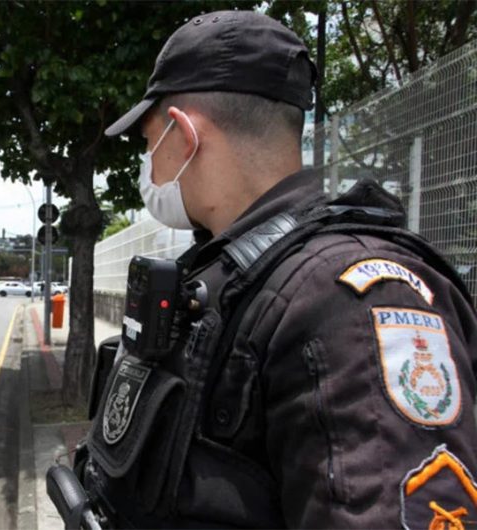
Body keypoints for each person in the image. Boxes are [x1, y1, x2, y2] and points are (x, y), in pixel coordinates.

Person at [79, 10, 477, 529]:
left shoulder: (352, 300)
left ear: (182, 135)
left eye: (148, 143)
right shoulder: (235, 273)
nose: (148, 165)